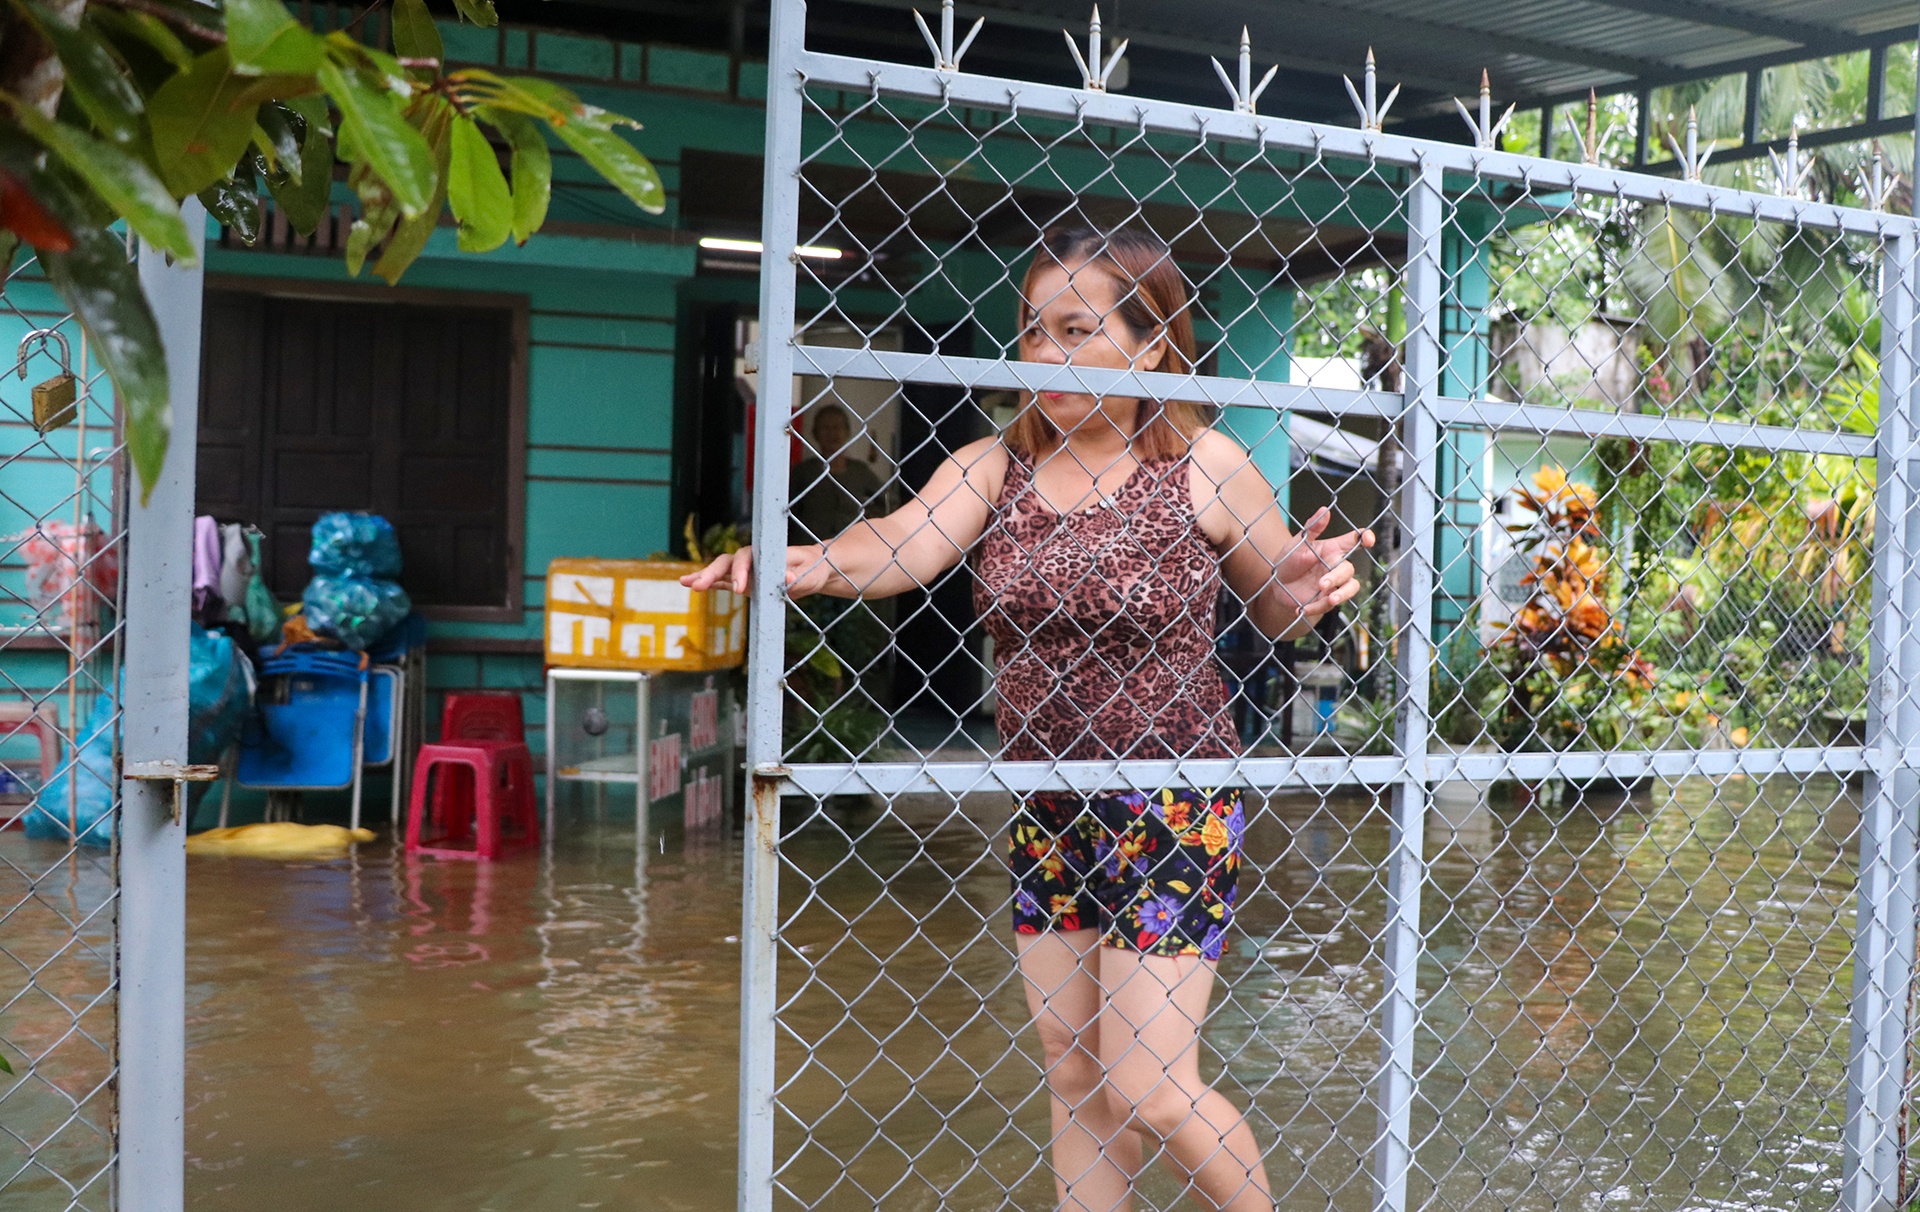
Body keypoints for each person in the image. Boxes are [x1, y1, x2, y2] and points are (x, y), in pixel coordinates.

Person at [686, 226, 1373, 1212]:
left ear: (1152, 343)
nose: (1045, 353)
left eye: (1076, 330)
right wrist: (802, 564)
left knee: (1149, 1084)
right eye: (1033, 331)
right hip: (1045, 802)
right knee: (1071, 1062)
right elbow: (902, 544)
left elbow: (1276, 601)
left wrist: (1308, 586)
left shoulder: (1206, 464)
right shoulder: (991, 466)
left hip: (1172, 805)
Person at [790, 403, 885, 543]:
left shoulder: (860, 472)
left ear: (847, 433)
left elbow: (887, 501)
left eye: (837, 427)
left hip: (850, 546)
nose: (832, 433)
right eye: (825, 428)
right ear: (815, 434)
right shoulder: (804, 472)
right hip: (810, 546)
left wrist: (868, 521)